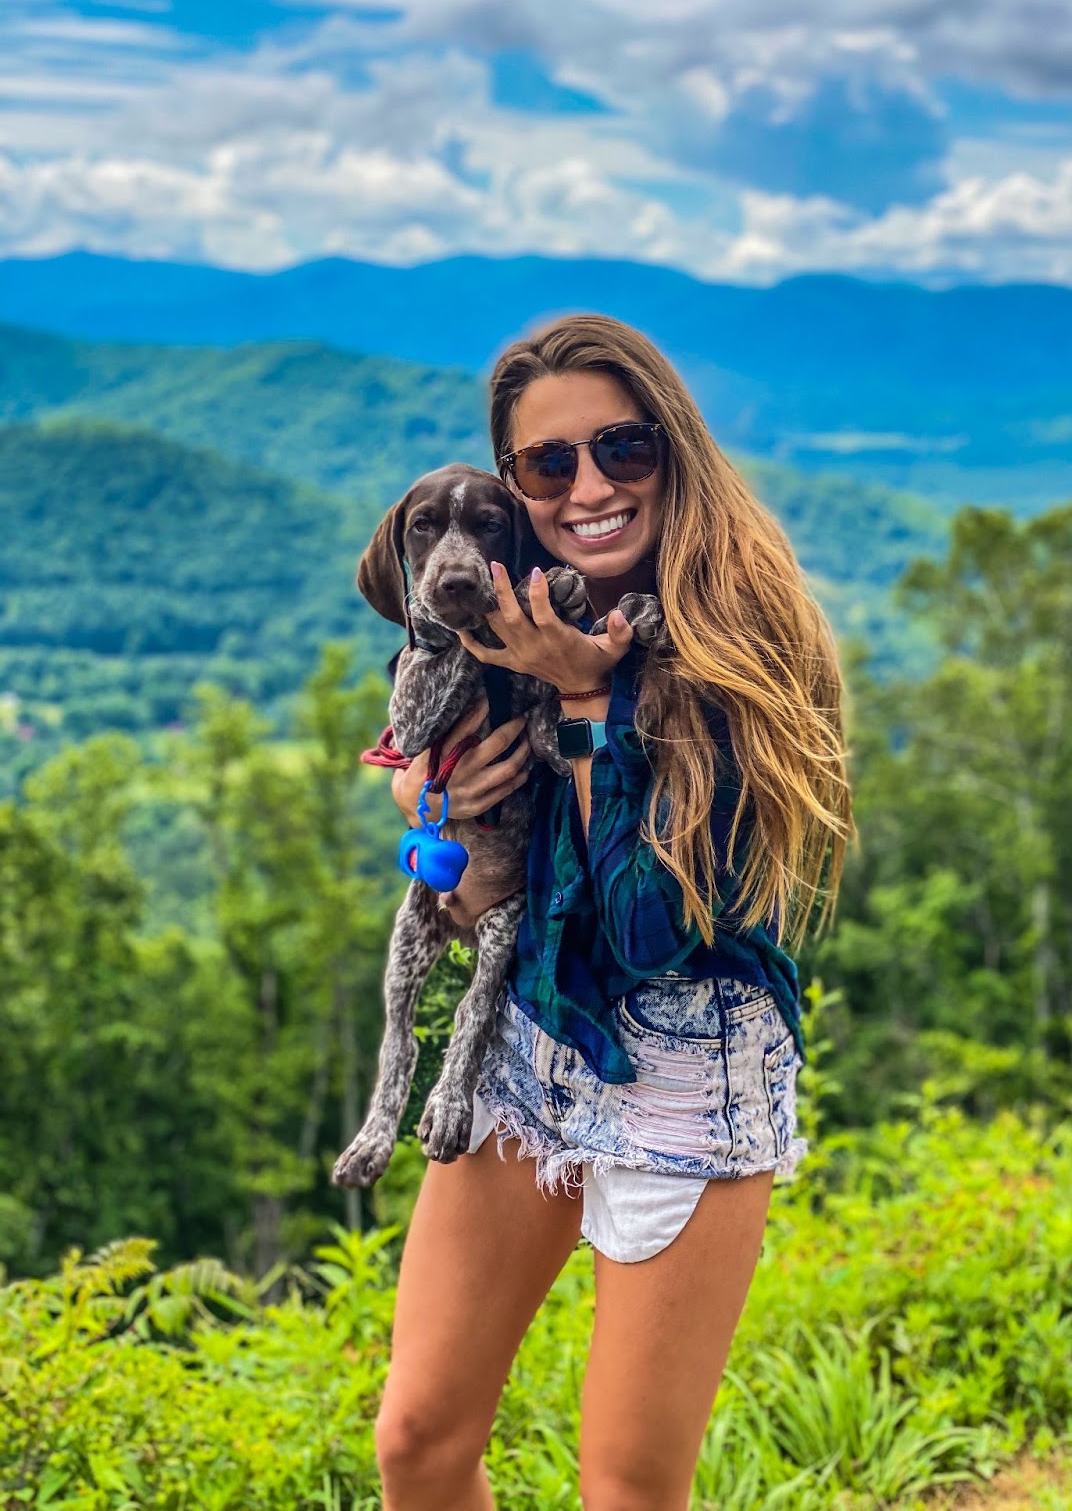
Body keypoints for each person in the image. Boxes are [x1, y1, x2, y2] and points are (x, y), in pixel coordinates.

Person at [378, 313, 851, 1511]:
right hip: (533, 1030)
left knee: (628, 1490)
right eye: (549, 465)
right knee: (419, 1442)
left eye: (622, 449)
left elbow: (652, 931)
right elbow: (460, 839)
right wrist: (433, 818)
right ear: (514, 489)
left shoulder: (743, 637)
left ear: (670, 450)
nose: (589, 487)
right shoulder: (522, 609)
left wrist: (589, 703)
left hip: (689, 1070)